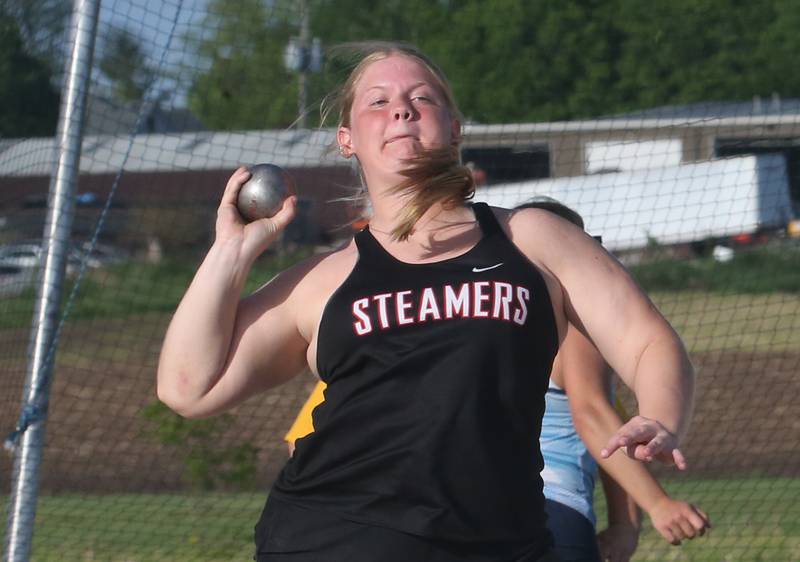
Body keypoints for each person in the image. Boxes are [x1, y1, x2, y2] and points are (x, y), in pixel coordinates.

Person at [156, 42, 696, 561]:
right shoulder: (325, 279)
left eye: (422, 98)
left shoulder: (531, 239)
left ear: (455, 129)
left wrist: (662, 415)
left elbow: (647, 340)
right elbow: (189, 387)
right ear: (348, 139)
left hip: (501, 543)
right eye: (378, 101)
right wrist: (231, 252)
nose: (402, 110)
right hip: (331, 540)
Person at [515, 198, 710, 562]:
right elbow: (591, 413)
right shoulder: (572, 322)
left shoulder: (494, 322)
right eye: (585, 244)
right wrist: (658, 503)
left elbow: (612, 424)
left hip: (481, 509)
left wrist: (624, 521)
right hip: (553, 508)